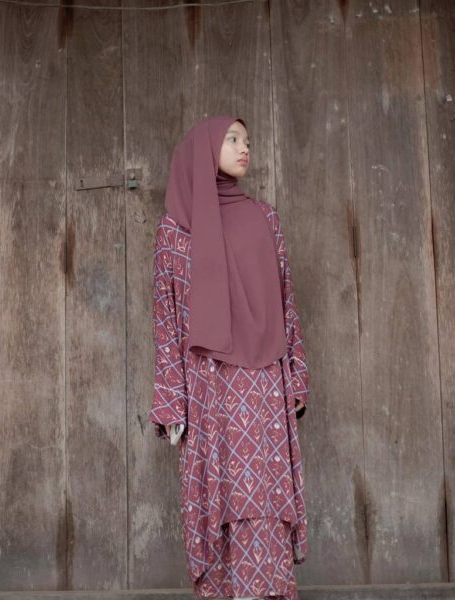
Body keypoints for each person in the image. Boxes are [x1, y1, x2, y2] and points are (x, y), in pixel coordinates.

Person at [149, 115, 309, 600]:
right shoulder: (176, 231)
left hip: (264, 382)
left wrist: (297, 375)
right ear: (204, 149)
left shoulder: (266, 219)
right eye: (232, 139)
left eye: (247, 140)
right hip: (207, 386)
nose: (244, 148)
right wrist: (170, 402)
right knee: (219, 493)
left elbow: (285, 300)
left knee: (264, 493)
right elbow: (166, 319)